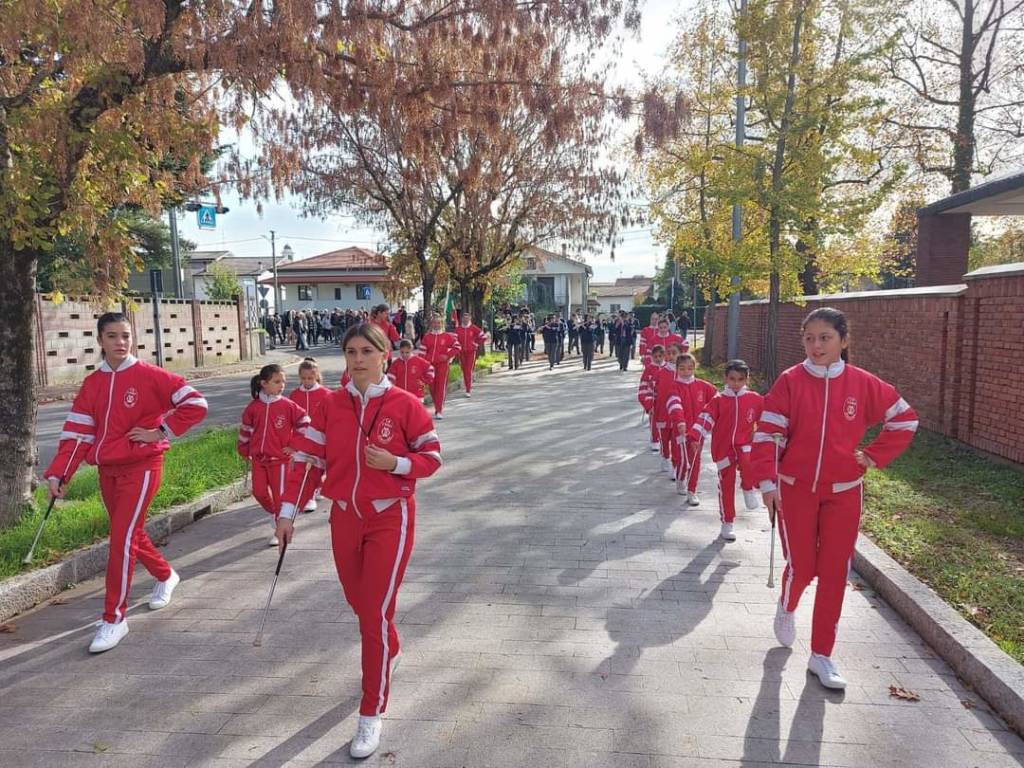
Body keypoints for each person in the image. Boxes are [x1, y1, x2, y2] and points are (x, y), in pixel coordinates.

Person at [275, 323, 442, 759]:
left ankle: (371, 713)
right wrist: (288, 511)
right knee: (361, 605)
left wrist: (397, 463)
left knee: (371, 614)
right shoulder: (330, 406)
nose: (358, 359)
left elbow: (432, 458)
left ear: (385, 355)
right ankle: (392, 644)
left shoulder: (406, 405)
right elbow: (307, 461)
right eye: (351, 351)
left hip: (390, 518)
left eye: (367, 350)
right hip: (345, 519)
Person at [752, 307, 918, 690]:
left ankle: (822, 655)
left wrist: (874, 454)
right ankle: (787, 605)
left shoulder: (862, 383)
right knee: (803, 566)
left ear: (844, 340)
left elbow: (905, 418)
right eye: (809, 338)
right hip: (795, 489)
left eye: (825, 337)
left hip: (844, 492)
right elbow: (766, 435)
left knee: (834, 573)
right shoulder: (790, 381)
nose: (816, 346)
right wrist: (767, 484)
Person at [44, 312, 208, 653]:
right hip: (108, 471)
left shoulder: (150, 375)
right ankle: (165, 575)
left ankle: (114, 619)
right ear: (100, 341)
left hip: (144, 465)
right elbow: (77, 433)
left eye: (126, 335)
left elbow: (196, 403)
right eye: (113, 336)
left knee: (121, 539)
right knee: (129, 532)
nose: (121, 342)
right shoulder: (92, 384)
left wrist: (159, 431)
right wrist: (60, 473)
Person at [688, 359, 764, 541]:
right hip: (723, 449)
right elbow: (706, 418)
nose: (736, 383)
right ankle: (727, 522)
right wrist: (696, 436)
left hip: (744, 445)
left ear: (747, 379)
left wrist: (766, 435)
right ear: (726, 379)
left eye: (740, 379)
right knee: (726, 484)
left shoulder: (755, 399)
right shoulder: (718, 400)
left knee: (748, 462)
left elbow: (767, 419)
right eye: (732, 379)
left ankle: (748, 488)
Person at [241, 364, 311, 540]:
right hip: (258, 459)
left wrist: (295, 445)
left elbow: (305, 422)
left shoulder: (288, 405)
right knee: (259, 492)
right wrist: (244, 449)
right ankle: (274, 515)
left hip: (280, 460)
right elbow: (246, 430)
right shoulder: (253, 407)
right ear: (264, 383)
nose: (281, 386)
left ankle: (279, 529)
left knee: (281, 496)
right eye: (277, 381)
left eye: (284, 382)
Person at [664, 353, 716, 505]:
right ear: (677, 369)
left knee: (695, 460)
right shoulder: (674, 387)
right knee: (682, 460)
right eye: (682, 369)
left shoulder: (703, 386)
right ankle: (681, 479)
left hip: (697, 432)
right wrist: (680, 422)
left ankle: (692, 490)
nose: (686, 372)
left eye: (690, 368)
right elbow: (675, 405)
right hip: (680, 431)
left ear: (694, 368)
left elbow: (717, 400)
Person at [289, 358, 331, 513]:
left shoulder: (326, 394)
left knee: (319, 465)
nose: (307, 381)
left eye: (310, 378)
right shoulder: (294, 395)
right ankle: (310, 496)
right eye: (303, 378)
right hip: (302, 438)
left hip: (321, 437)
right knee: (307, 466)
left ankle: (319, 485)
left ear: (316, 376)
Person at [417, 313, 461, 420]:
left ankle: (439, 410)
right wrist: (424, 362)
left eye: (438, 323)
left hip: (442, 366)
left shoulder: (447, 336)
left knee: (441, 387)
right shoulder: (427, 337)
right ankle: (437, 405)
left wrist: (447, 356)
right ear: (431, 324)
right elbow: (421, 353)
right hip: (430, 366)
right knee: (432, 387)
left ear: (441, 324)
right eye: (434, 323)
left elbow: (458, 347)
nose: (436, 325)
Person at [639, 344, 667, 450]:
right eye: (655, 356)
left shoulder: (668, 368)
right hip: (653, 400)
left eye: (660, 356)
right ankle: (655, 440)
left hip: (665, 400)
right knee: (654, 421)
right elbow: (643, 387)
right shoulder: (649, 369)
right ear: (652, 357)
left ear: (664, 356)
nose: (658, 359)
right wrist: (647, 404)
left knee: (666, 422)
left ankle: (665, 440)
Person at [455, 313, 488, 397]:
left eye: (467, 318)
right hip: (461, 352)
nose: (466, 320)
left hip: (471, 352)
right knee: (464, 370)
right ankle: (467, 384)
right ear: (462, 319)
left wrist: (476, 343)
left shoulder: (473, 328)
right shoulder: (458, 329)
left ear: (470, 319)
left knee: (468, 370)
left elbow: (483, 336)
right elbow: (454, 340)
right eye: (464, 318)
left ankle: (468, 390)